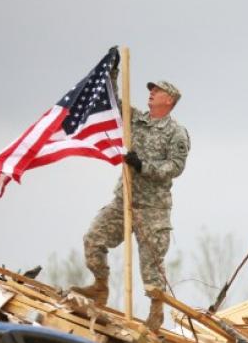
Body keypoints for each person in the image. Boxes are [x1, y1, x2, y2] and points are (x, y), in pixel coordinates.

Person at [73, 80, 189, 329]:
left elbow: (175, 167)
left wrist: (143, 167)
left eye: (156, 91)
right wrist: (111, 74)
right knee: (93, 239)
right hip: (124, 199)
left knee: (152, 266)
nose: (151, 93)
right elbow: (115, 103)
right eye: (150, 89)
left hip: (152, 208)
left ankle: (156, 314)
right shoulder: (135, 119)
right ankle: (100, 286)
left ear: (168, 100)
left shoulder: (176, 133)